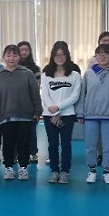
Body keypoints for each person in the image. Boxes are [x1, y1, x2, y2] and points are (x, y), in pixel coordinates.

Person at [0, 44, 42, 181]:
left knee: (24, 143)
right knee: (7, 143)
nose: (11, 58)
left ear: (19, 57)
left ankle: (23, 168)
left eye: (14, 55)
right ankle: (8, 168)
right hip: (5, 116)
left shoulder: (28, 73)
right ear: (4, 57)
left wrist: (37, 111)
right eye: (8, 55)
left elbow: (35, 94)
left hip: (25, 116)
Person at [76, 43, 109, 185]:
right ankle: (92, 170)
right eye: (99, 53)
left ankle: (107, 171)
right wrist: (80, 113)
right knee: (90, 145)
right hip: (90, 116)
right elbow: (82, 94)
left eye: (106, 53)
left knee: (108, 146)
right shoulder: (89, 73)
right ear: (95, 56)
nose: (102, 56)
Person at [41, 41, 81, 184]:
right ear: (52, 56)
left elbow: (75, 96)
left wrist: (58, 108)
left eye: (63, 54)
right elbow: (45, 95)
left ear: (67, 56)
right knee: (52, 144)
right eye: (57, 55)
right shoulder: (46, 75)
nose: (60, 57)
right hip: (49, 115)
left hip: (67, 115)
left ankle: (65, 171)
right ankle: (54, 170)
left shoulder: (75, 75)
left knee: (66, 144)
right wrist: (53, 112)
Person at [17, 41, 42, 163]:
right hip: (15, 104)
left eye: (26, 50)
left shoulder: (35, 69)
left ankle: (33, 153)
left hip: (30, 104)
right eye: (21, 50)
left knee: (31, 131)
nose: (23, 52)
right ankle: (16, 154)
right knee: (16, 131)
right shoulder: (12, 68)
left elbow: (36, 87)